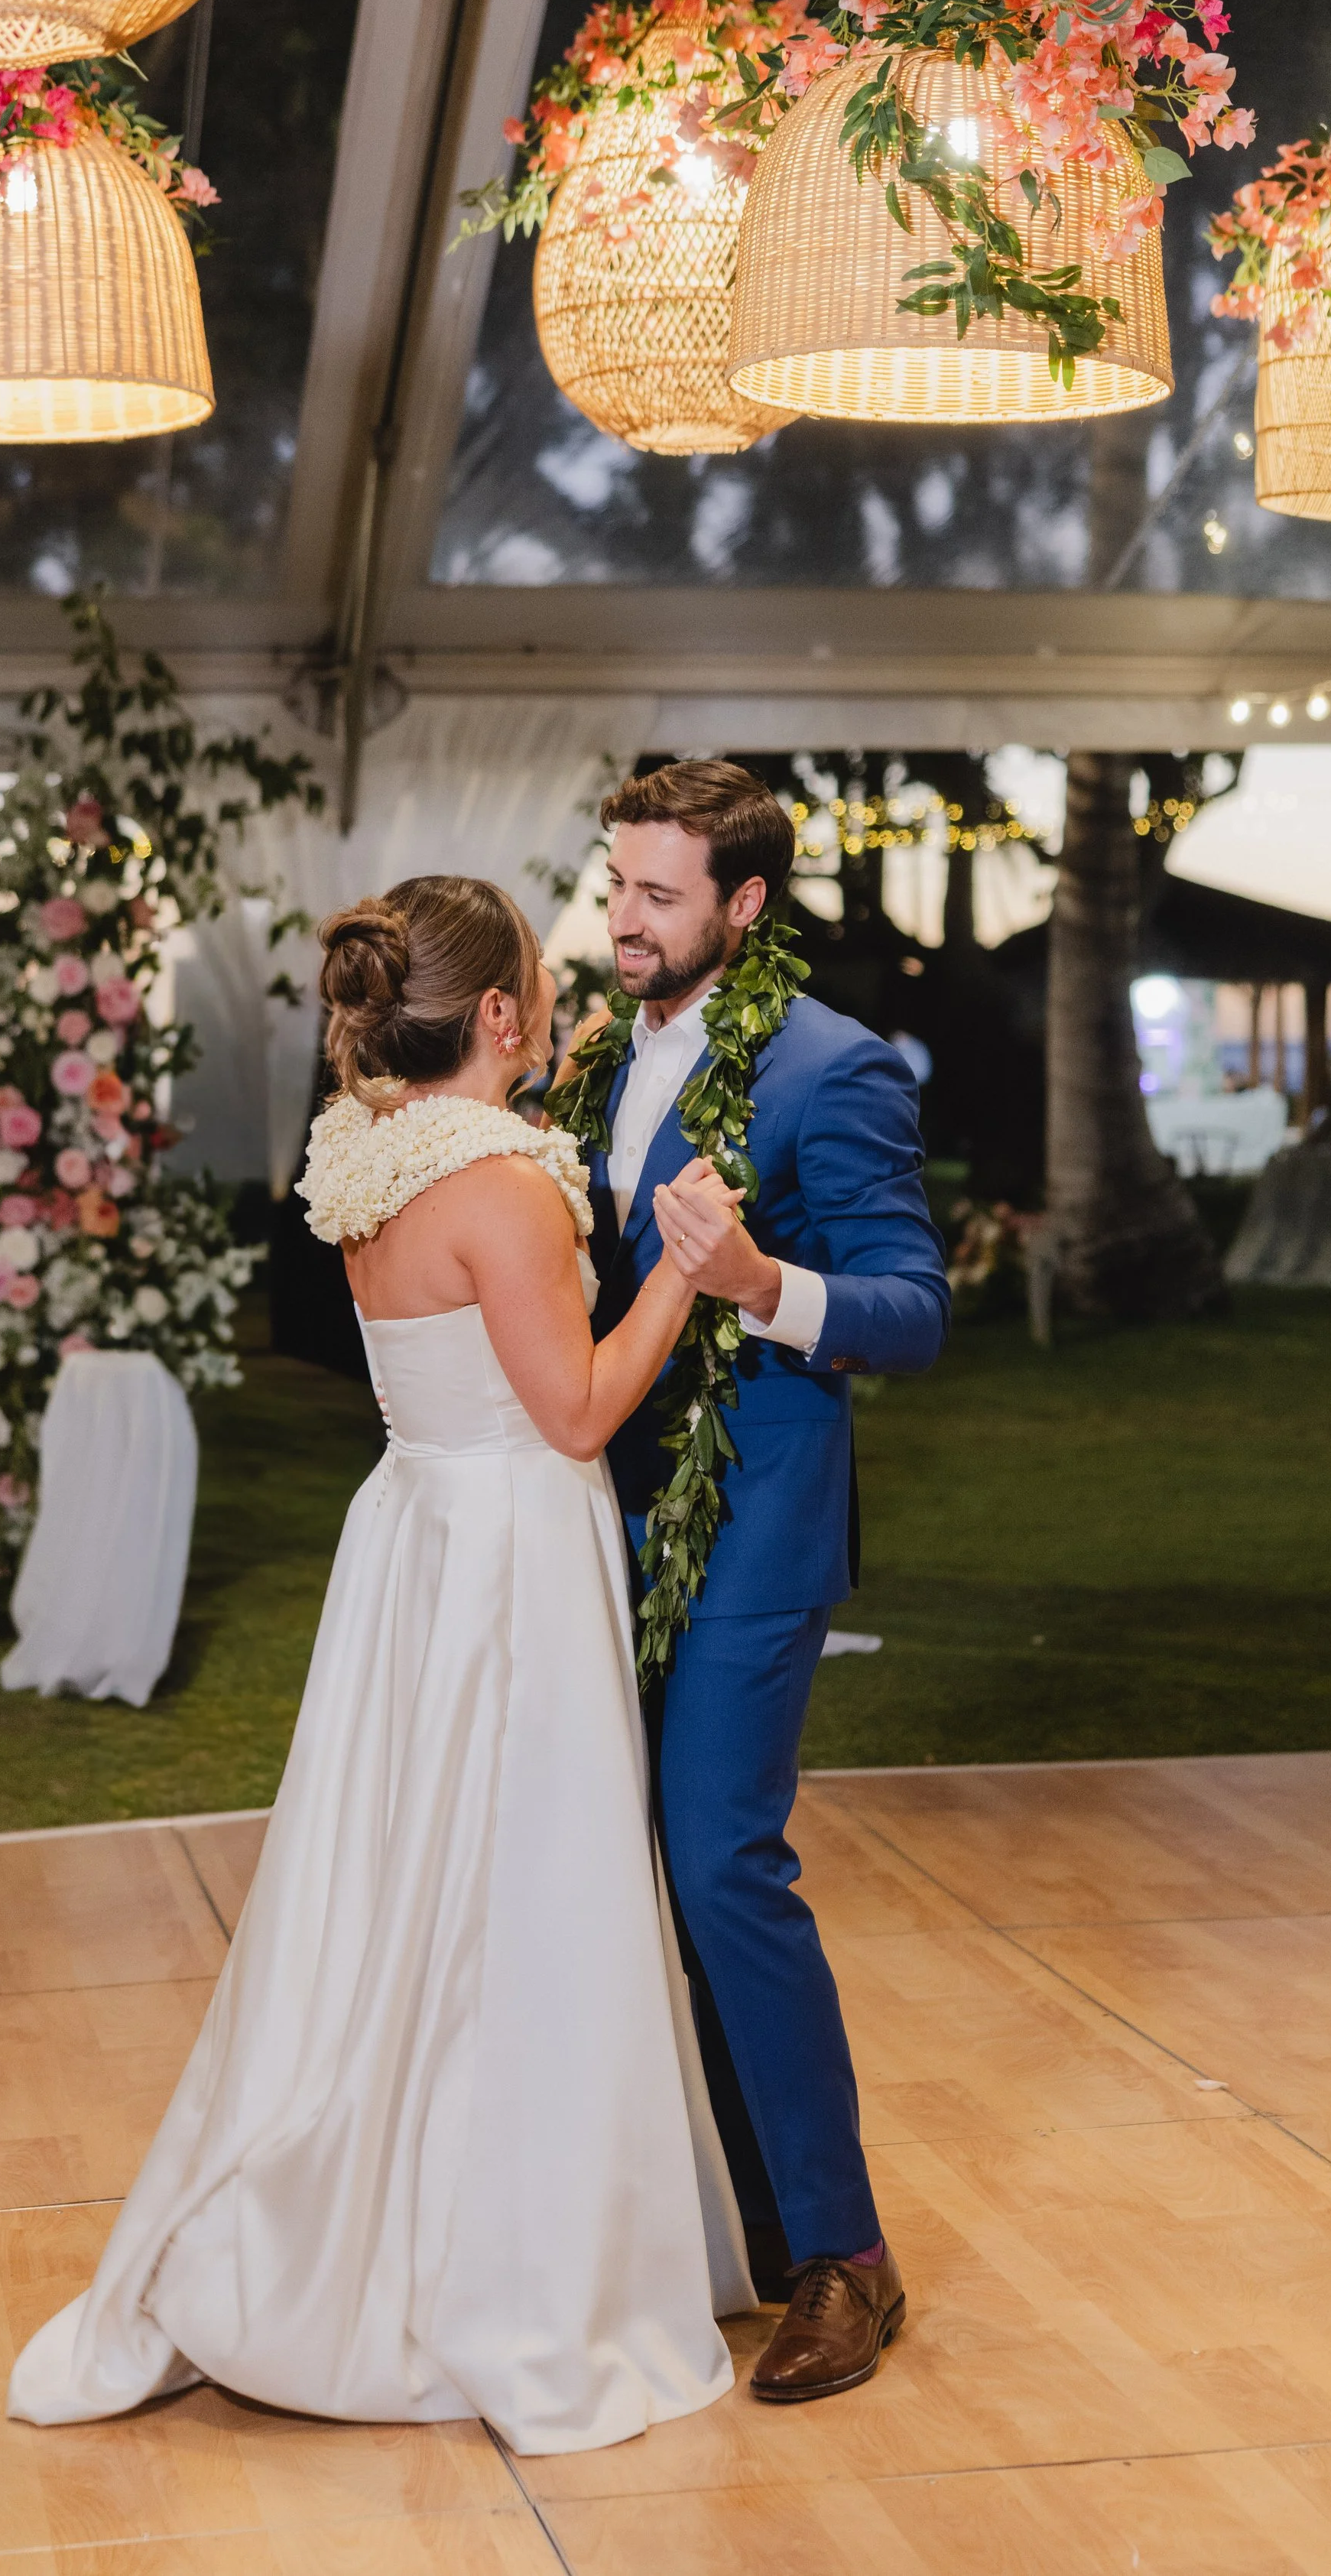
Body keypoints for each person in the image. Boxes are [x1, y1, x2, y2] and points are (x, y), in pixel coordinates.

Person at [5, 872, 756, 2457]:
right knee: (520, 1896)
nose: (551, 1005)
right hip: (508, 1558)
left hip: (414, 1533)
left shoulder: (355, 1158)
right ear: (496, 1016)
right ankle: (505, 2256)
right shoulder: (499, 1180)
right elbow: (574, 1409)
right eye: (536, 988)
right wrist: (688, 1267)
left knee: (396, 1891)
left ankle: (361, 2208)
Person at [571, 759, 950, 2405]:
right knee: (652, 1859)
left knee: (723, 1857)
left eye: (658, 893)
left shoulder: (831, 1065)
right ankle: (746, 2213)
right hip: (608, 1511)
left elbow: (913, 1305)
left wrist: (757, 1280)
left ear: (742, 903)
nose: (621, 917)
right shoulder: (601, 1053)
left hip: (755, 1522)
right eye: (615, 883)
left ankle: (843, 2257)